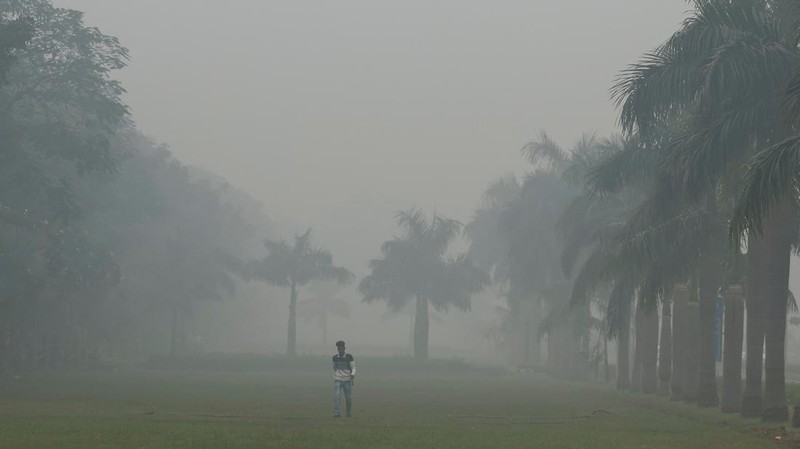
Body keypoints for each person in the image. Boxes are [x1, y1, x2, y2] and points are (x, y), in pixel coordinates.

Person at [332, 340, 355, 417]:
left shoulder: (349, 357)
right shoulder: (335, 357)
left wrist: (352, 374)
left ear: (344, 348)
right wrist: (336, 375)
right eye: (338, 348)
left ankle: (348, 414)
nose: (340, 350)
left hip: (347, 380)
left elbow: (353, 368)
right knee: (337, 397)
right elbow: (334, 367)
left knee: (348, 398)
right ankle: (337, 414)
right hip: (338, 379)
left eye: (341, 348)